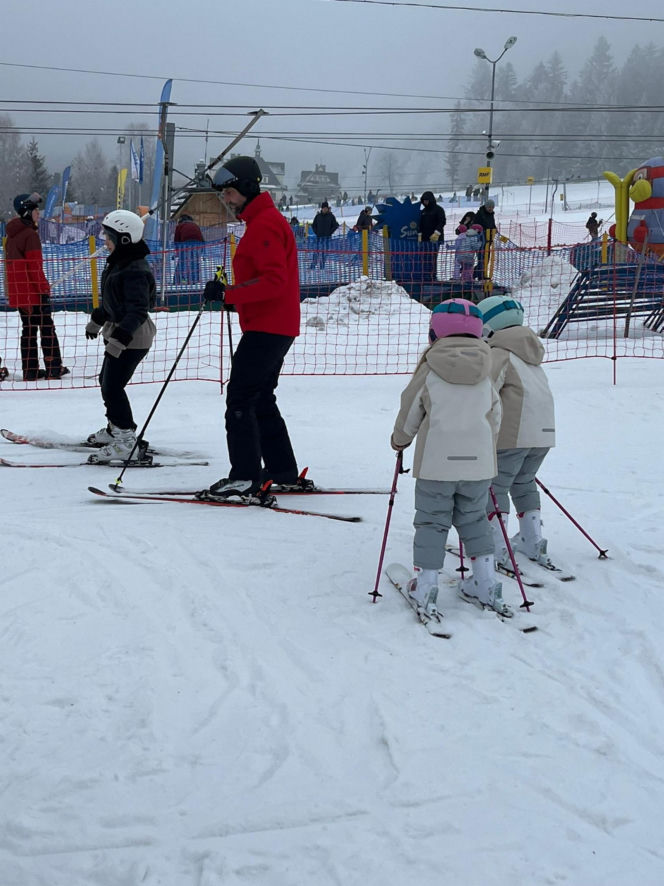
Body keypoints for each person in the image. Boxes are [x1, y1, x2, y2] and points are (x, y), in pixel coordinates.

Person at [390, 298, 508, 618]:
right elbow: (496, 414)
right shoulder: (486, 367)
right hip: (478, 465)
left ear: (434, 333)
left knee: (432, 520)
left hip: (436, 465)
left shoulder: (431, 367)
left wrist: (400, 441)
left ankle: (427, 586)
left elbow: (410, 409)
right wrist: (485, 446)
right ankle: (485, 581)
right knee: (474, 519)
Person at [201, 155, 307, 500]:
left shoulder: (264, 225)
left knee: (241, 399)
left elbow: (274, 281)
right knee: (260, 397)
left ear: (246, 188)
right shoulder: (262, 221)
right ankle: (281, 470)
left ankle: (245, 476)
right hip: (273, 324)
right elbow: (265, 280)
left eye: (229, 193)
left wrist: (229, 294)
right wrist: (232, 295)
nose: (226, 200)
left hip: (268, 327)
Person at [476, 295, 556, 571]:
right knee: (524, 482)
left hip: (513, 434)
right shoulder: (530, 351)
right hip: (543, 434)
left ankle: (495, 546)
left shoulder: (499, 353)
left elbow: (485, 392)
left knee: (494, 487)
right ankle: (533, 539)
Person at [84, 210, 156, 464]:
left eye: (109, 236)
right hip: (118, 331)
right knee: (107, 381)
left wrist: (119, 340)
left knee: (113, 386)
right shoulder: (120, 262)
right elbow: (114, 301)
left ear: (124, 239)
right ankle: (116, 428)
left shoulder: (135, 269)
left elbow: (137, 310)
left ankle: (126, 440)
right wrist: (97, 320)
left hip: (132, 337)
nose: (105, 240)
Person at [5, 192, 69, 381]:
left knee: (29, 330)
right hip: (33, 293)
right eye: (35, 210)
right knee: (47, 328)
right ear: (26, 212)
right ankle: (53, 368)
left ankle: (30, 370)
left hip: (20, 293)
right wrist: (43, 289)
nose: (38, 213)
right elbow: (34, 267)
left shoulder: (12, 236)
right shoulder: (30, 235)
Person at [418, 191, 446, 281]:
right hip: (425, 239)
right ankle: (425, 275)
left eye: (427, 200)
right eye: (424, 201)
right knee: (424, 258)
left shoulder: (438, 210)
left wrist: (436, 233)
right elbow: (420, 224)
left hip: (435, 239)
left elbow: (442, 221)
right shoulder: (423, 211)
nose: (425, 202)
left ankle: (432, 275)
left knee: (432, 258)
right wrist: (420, 235)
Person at [173, 213, 204, 284]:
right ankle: (194, 280)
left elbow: (176, 240)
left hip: (186, 244)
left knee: (182, 263)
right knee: (194, 263)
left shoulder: (179, 226)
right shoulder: (195, 225)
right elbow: (202, 239)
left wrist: (178, 252)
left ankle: (178, 281)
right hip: (198, 245)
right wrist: (202, 251)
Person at [472, 199, 498, 279]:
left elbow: (492, 224)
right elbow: (475, 226)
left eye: (492, 207)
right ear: (486, 207)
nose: (490, 209)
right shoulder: (480, 214)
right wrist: (481, 231)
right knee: (482, 258)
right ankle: (481, 275)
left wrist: (495, 229)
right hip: (481, 240)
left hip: (488, 240)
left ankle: (474, 273)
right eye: (489, 207)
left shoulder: (491, 214)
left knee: (486, 258)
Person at [310, 201, 339, 269]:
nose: (325, 209)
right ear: (322, 208)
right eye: (324, 208)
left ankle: (322, 265)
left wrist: (330, 232)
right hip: (319, 237)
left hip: (327, 237)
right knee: (316, 251)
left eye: (326, 208)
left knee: (324, 251)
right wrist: (316, 232)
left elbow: (335, 225)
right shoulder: (318, 216)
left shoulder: (331, 216)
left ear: (327, 208)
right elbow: (313, 225)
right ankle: (313, 264)